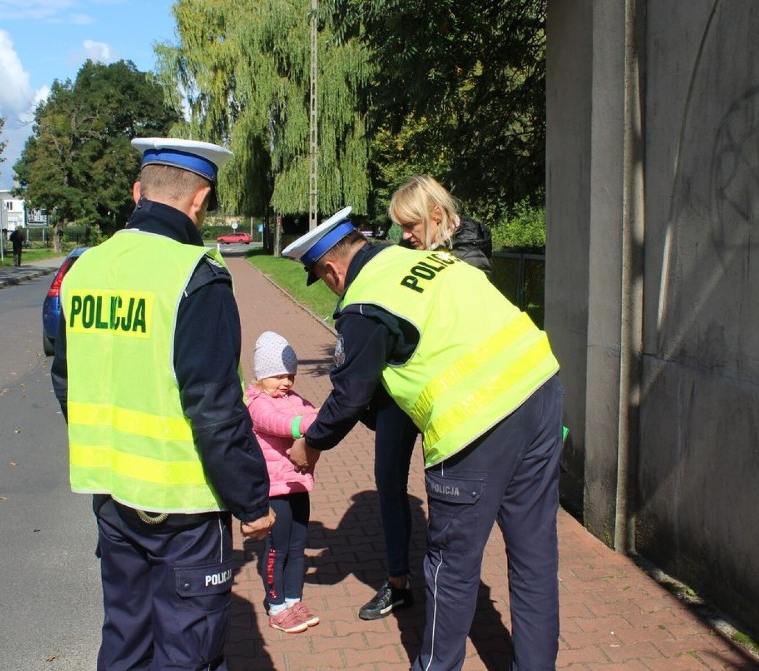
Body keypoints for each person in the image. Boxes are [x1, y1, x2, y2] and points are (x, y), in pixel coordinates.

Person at [282, 207, 563, 671]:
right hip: (539, 386)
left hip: (475, 424)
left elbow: (350, 393)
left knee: (451, 567)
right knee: (534, 554)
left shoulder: (366, 299)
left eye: (323, 279)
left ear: (331, 270)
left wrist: (311, 443)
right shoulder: (418, 258)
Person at [50, 137, 275, 671]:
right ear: (200, 200)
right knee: (188, 655)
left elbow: (65, 378)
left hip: (111, 494)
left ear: (137, 192)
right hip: (184, 506)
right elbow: (215, 408)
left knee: (125, 641)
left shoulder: (82, 269)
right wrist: (252, 501)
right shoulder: (196, 275)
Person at [358, 175, 493, 620]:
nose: (405, 236)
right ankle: (398, 582)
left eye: (411, 225)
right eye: (400, 227)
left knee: (449, 495)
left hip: (447, 402)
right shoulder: (406, 254)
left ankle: (448, 590)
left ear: (437, 217)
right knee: (389, 484)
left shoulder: (470, 258)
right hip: (400, 393)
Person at [246, 331, 320, 634]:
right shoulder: (256, 404)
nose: (286, 382)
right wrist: (313, 424)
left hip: (298, 485)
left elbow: (313, 411)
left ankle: (293, 600)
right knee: (278, 548)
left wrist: (318, 418)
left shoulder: (293, 399)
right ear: (262, 375)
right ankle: (276, 607)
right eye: (278, 375)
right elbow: (281, 425)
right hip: (276, 490)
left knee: (298, 545)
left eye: (290, 375)